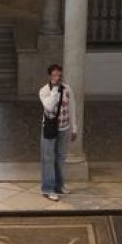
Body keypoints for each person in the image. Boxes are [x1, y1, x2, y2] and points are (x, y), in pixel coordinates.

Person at [39, 64, 77, 201]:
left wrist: (74, 128)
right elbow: (49, 107)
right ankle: (48, 188)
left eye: (59, 75)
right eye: (55, 75)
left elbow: (72, 108)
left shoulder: (67, 89)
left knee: (60, 158)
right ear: (50, 76)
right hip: (50, 128)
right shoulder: (44, 91)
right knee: (48, 159)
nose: (58, 77)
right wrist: (55, 89)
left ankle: (59, 185)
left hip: (64, 128)